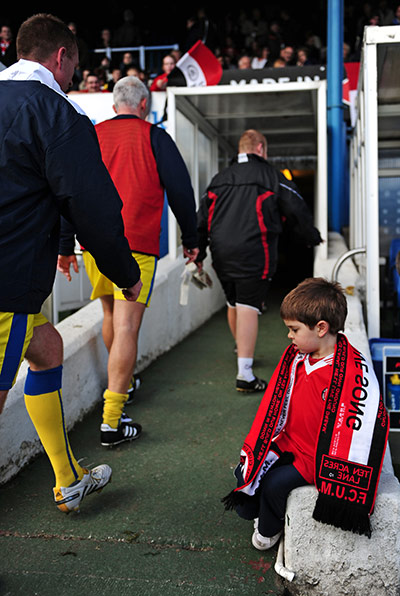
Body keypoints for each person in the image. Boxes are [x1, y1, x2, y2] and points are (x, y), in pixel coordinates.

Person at [0, 13, 142, 513]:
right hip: (7, 280)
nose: (76, 75)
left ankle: (67, 480)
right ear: (61, 57)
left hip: (13, 279)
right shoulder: (56, 112)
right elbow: (92, 207)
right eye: (76, 64)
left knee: (47, 347)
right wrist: (126, 273)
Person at [58, 75, 199, 447]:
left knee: (110, 318)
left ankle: (123, 383)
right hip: (136, 247)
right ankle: (111, 422)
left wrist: (63, 244)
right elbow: (181, 191)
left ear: (115, 103)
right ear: (143, 105)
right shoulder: (155, 136)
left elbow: (65, 188)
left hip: (92, 247)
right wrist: (193, 238)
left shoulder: (91, 135)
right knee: (126, 329)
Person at [222, 278, 389, 549]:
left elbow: (366, 420)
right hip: (290, 441)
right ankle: (255, 512)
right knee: (250, 466)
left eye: (294, 329)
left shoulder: (351, 373)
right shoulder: (299, 357)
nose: (289, 336)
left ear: (321, 328)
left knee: (275, 483)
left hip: (315, 456)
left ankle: (268, 530)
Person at [196, 129, 322, 392]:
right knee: (248, 307)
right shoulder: (271, 177)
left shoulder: (220, 179)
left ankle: (241, 348)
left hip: (221, 253)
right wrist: (311, 237)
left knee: (233, 302)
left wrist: (197, 251)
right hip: (255, 252)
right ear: (261, 149)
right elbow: (297, 208)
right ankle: (245, 375)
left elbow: (201, 217)